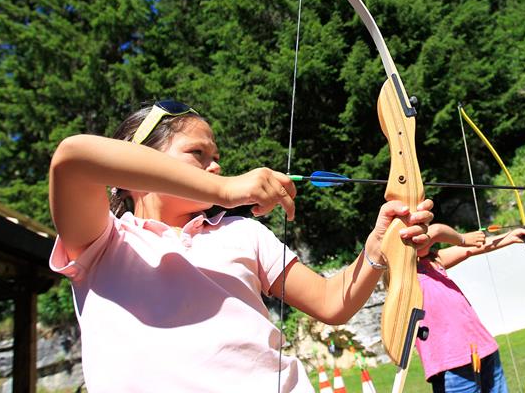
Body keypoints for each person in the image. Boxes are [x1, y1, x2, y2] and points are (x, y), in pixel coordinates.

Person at [47, 100, 434, 392]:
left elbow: (331, 301)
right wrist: (226, 189)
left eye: (216, 159)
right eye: (198, 154)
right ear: (137, 155)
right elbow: (72, 158)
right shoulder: (102, 242)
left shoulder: (240, 233)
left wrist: (377, 248)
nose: (215, 166)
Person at [414, 223, 525, 393]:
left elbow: (473, 249)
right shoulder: (402, 272)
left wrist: (509, 237)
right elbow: (436, 231)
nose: (423, 232)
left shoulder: (435, 261)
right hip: (452, 363)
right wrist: (462, 239)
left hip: (483, 348)